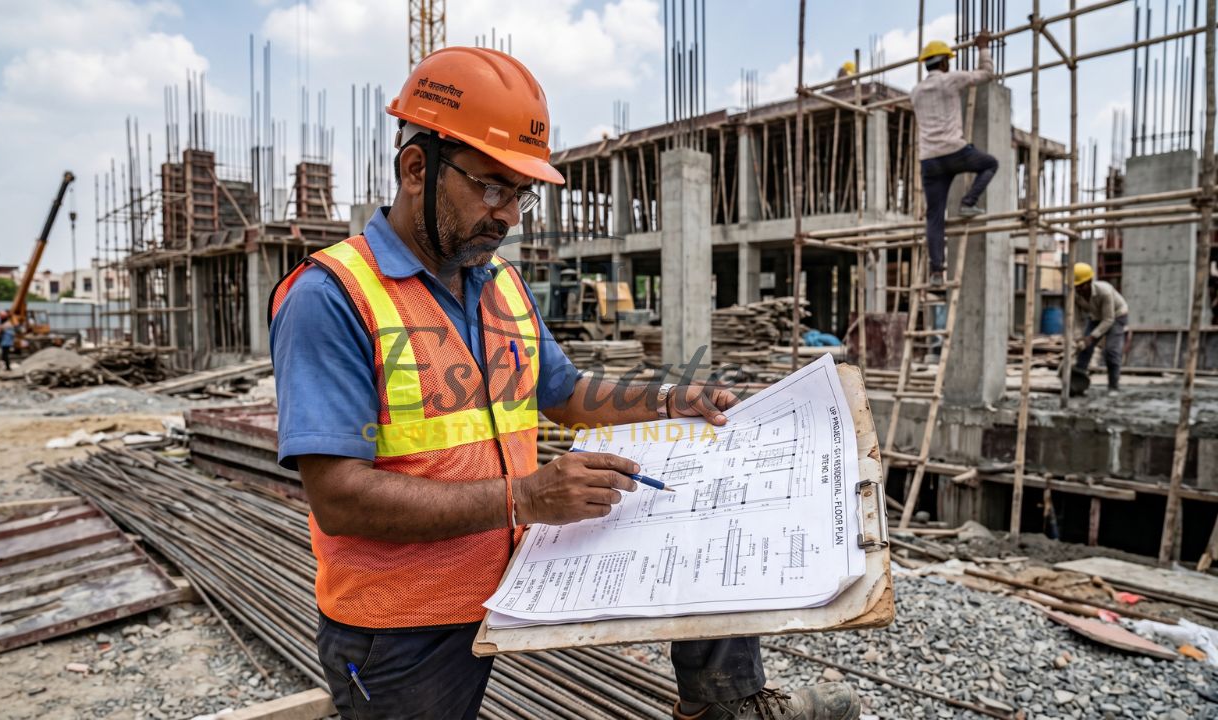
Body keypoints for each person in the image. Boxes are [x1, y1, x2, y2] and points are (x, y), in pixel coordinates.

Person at [269, 47, 861, 720]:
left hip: (525, 569)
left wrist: (670, 401)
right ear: (415, 169)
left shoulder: (498, 285)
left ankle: (726, 708)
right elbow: (340, 498)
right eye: (491, 186)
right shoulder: (332, 297)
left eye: (521, 194)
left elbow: (566, 394)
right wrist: (527, 495)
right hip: (403, 623)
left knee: (705, 516)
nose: (510, 216)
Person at [912, 31, 1000, 287]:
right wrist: (983, 49)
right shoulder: (950, 80)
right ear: (943, 63)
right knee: (990, 163)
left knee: (934, 218)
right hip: (954, 151)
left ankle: (937, 272)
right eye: (947, 60)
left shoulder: (915, 92)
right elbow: (986, 75)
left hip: (929, 159)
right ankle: (968, 201)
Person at [1073, 262, 1129, 396]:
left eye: (1081, 286)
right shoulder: (1075, 295)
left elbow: (1108, 319)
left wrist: (1091, 337)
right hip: (1096, 317)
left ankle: (1113, 387)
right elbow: (1077, 320)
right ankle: (1077, 385)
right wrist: (1079, 338)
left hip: (1116, 316)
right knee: (1084, 350)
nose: (1078, 289)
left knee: (1111, 351)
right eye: (1076, 286)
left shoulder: (1104, 291)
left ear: (1089, 282)